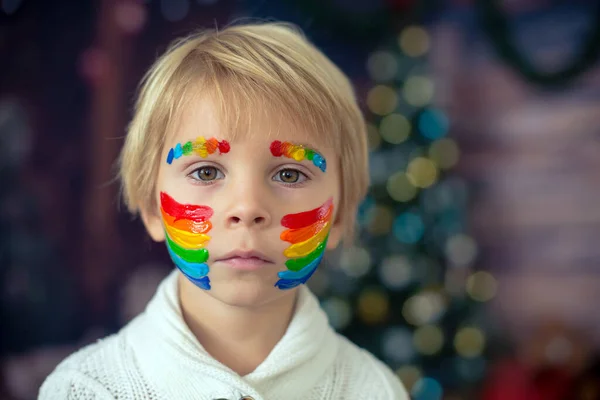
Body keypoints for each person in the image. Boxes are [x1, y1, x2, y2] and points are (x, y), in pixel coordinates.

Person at [39, 21, 409, 399]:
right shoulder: (83, 389)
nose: (247, 208)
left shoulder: (377, 391)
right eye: (206, 170)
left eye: (289, 173)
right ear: (152, 206)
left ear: (340, 215)